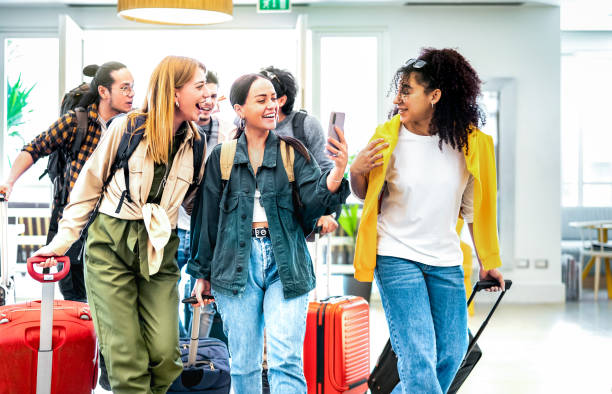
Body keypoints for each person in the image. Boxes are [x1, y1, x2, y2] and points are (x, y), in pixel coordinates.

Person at [32, 55, 208, 393]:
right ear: (174, 93)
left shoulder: (196, 143)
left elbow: (197, 205)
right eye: (199, 87)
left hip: (160, 247)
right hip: (111, 245)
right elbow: (88, 188)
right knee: (126, 358)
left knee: (165, 355)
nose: (207, 95)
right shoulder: (127, 128)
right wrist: (60, 242)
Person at [350, 48, 505, 394]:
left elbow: (476, 210)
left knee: (451, 354)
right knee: (417, 356)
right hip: (395, 255)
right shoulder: (387, 136)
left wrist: (488, 262)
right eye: (399, 90)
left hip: (445, 260)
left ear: (434, 95)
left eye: (407, 91)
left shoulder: (472, 144)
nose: (398, 99)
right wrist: (356, 171)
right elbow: (365, 193)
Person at [188, 73, 350, 393]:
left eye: (273, 98)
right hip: (234, 264)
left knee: (285, 360)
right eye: (261, 100)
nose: (271, 105)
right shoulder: (222, 156)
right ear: (240, 109)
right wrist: (200, 274)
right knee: (245, 363)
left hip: (286, 261)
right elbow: (206, 222)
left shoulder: (294, 152)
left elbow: (315, 203)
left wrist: (337, 175)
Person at [0, 61, 134, 303]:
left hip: (113, 228)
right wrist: (9, 182)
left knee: (111, 300)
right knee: (77, 301)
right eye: (124, 88)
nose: (132, 94)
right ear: (104, 92)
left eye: (132, 87)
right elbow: (35, 148)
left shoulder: (130, 127)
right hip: (73, 225)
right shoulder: (76, 122)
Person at [177, 69, 235, 338]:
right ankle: (179, 346)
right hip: (177, 226)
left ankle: (202, 354)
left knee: (204, 293)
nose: (208, 101)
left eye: (213, 95)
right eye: (203, 95)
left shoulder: (227, 131)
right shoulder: (177, 129)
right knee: (167, 293)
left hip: (211, 229)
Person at [260, 66, 338, 236]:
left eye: (265, 96)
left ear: (280, 101)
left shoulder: (306, 125)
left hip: (297, 220)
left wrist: (325, 212)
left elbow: (325, 170)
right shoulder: (243, 124)